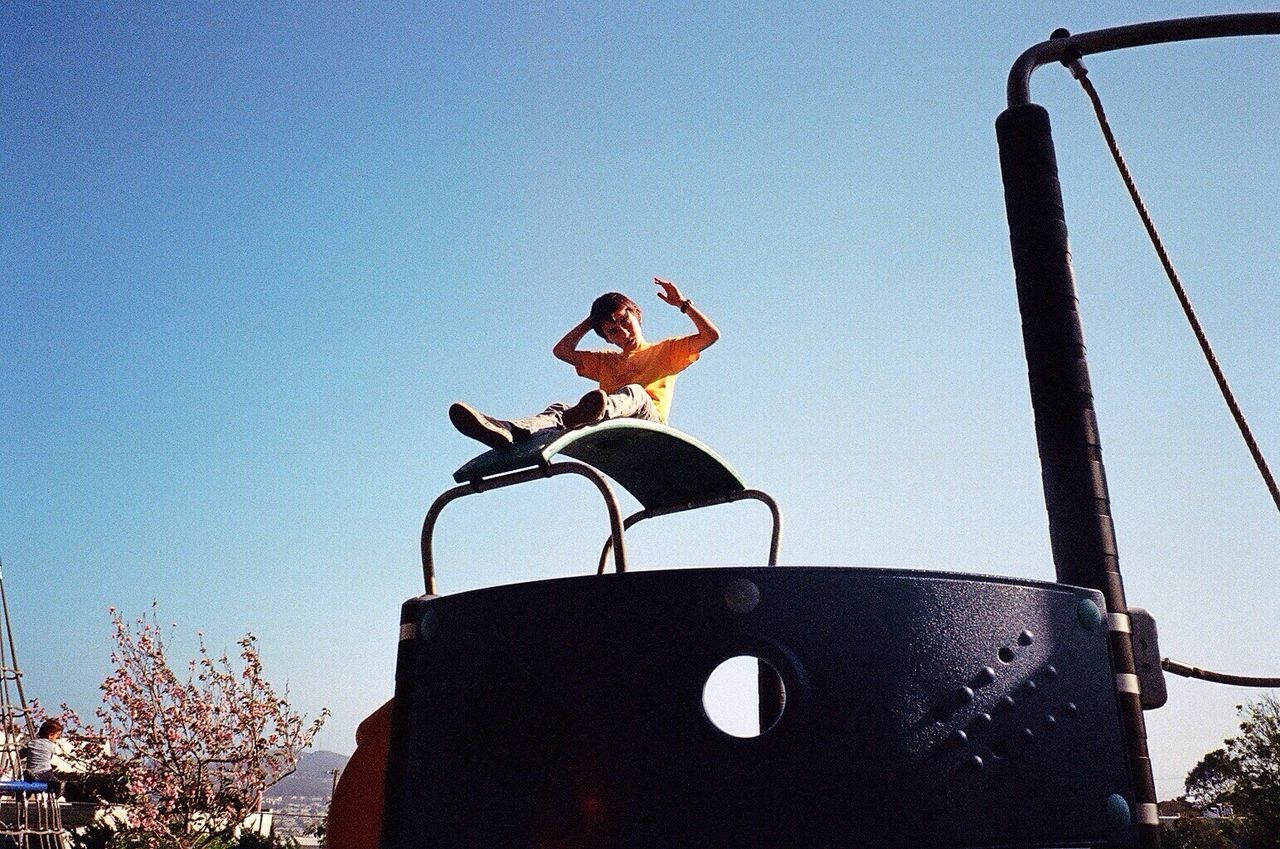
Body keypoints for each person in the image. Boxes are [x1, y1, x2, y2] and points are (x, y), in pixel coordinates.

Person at [449, 277, 720, 449]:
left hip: (650, 426)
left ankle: (595, 411)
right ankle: (507, 431)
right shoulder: (606, 361)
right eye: (613, 332)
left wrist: (682, 304)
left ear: (637, 315)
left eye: (625, 322)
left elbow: (710, 336)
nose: (623, 333)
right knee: (559, 408)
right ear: (607, 339)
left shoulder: (667, 350)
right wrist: (591, 323)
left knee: (634, 392)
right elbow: (562, 351)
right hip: (611, 431)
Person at [20, 718, 65, 796]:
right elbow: (49, 758)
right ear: (50, 735)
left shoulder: (31, 743)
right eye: (56, 736)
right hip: (45, 772)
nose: (56, 739)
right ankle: (58, 786)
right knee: (53, 780)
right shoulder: (52, 746)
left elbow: (20, 755)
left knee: (26, 778)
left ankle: (27, 790)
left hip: (32, 770)